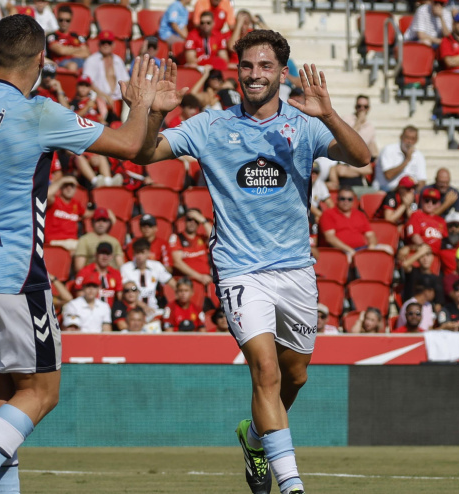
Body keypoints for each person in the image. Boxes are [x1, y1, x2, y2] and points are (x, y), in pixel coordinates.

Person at [131, 29, 371, 494]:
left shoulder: (304, 124)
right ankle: (292, 484)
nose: (254, 74)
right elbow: (144, 153)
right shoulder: (210, 125)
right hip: (239, 268)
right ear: (236, 70)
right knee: (266, 370)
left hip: (295, 270)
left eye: (264, 66)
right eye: (246, 65)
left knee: (294, 376)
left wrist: (330, 115)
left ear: (283, 72)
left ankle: (255, 438)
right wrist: (154, 113)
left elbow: (361, 158)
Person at [0, 14, 161, 494]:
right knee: (41, 392)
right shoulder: (40, 113)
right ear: (41, 59)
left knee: (0, 396)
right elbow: (132, 145)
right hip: (13, 274)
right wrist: (141, 104)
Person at [321, 187, 394, 257]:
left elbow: (370, 235)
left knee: (387, 250)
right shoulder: (328, 214)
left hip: (362, 249)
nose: (346, 201)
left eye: (349, 199)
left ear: (353, 200)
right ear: (337, 199)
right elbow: (330, 238)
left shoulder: (360, 214)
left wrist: (371, 246)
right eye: (342, 199)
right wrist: (350, 250)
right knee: (347, 257)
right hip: (342, 252)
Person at [120, 237, 175, 313]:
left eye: (142, 252)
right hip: (133, 311)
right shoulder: (126, 268)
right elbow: (125, 292)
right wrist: (144, 307)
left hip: (154, 309)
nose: (139, 256)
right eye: (137, 252)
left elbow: (172, 283)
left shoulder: (156, 266)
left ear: (148, 253)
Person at [82, 30, 129, 109]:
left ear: (113, 45)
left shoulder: (118, 60)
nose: (106, 45)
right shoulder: (91, 60)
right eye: (103, 42)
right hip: (99, 99)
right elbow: (87, 82)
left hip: (119, 98)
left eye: (109, 43)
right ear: (99, 44)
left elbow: (126, 80)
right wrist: (104, 96)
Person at [374, 126, 426, 192]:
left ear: (416, 140)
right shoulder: (388, 150)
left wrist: (416, 194)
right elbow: (388, 175)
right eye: (407, 138)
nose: (409, 142)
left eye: (412, 139)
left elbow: (422, 180)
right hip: (387, 189)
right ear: (401, 137)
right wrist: (407, 160)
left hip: (408, 191)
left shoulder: (419, 155)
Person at [169, 208, 213, 286]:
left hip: (206, 280)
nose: (192, 223)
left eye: (196, 220)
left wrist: (203, 220)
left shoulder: (203, 238)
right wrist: (199, 277)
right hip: (186, 282)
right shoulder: (177, 238)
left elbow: (215, 240)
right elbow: (177, 262)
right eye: (189, 219)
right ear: (185, 221)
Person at [71, 241, 122, 306]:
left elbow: (119, 297)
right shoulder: (84, 272)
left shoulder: (116, 273)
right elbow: (79, 295)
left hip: (110, 312)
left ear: (111, 256)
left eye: (107, 254)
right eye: (102, 253)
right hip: (89, 309)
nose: (105, 257)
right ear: (96, 255)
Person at [46, 5, 89, 71]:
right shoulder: (52, 36)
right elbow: (60, 51)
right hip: (60, 63)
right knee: (72, 65)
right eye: (61, 20)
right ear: (57, 19)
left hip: (78, 61)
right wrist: (78, 49)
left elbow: (86, 53)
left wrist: (67, 50)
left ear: (71, 20)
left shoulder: (76, 36)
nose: (64, 23)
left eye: (67, 20)